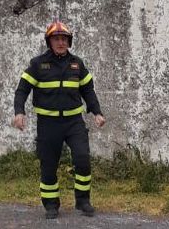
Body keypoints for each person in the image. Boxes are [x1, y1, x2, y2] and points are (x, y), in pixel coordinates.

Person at [14, 20, 106, 219]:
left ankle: (83, 201)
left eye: (64, 39)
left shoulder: (77, 64)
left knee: (82, 158)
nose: (61, 42)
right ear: (49, 42)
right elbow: (22, 90)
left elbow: (88, 91)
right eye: (56, 39)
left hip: (74, 122)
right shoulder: (38, 64)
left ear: (69, 42)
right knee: (48, 165)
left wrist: (97, 112)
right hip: (48, 125)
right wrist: (19, 112)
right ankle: (51, 205)